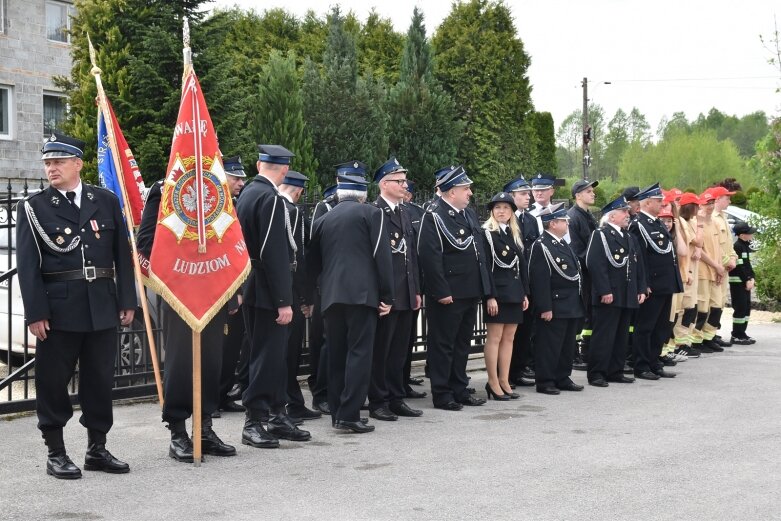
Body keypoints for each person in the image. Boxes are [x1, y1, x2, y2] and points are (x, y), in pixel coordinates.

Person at [16, 133, 136, 479]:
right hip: (59, 309)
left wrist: (126, 298)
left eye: (58, 162)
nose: (50, 168)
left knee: (99, 381)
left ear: (77, 164)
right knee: (53, 383)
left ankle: (97, 449)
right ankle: (56, 452)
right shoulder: (34, 207)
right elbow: (27, 266)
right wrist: (36, 313)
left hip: (101, 305)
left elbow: (122, 256)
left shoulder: (106, 200)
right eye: (47, 163)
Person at [137, 180, 236, 462]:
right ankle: (178, 431)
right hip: (180, 291)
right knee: (181, 364)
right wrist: (186, 262)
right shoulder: (164, 189)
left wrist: (231, 289)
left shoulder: (217, 188)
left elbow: (229, 242)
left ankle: (204, 428)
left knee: (211, 361)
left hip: (213, 290)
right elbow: (146, 242)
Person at [307, 165, 395, 433]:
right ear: (363, 194)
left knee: (336, 354)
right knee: (359, 353)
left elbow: (312, 262)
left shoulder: (324, 218)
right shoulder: (373, 213)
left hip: (332, 296)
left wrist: (312, 293)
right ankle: (350, 414)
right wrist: (387, 294)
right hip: (362, 295)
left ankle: (336, 412)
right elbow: (382, 256)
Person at [236, 144, 310, 448]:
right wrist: (284, 301)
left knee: (272, 356)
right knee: (267, 358)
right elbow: (274, 253)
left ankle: (278, 415)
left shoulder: (247, 195)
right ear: (282, 170)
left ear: (258, 165)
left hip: (253, 286)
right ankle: (254, 421)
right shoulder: (269, 198)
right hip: (268, 291)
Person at [417, 166, 491, 410]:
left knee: (462, 344)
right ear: (451, 192)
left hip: (469, 290)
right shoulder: (434, 215)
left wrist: (484, 288)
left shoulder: (467, 214)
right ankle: (442, 392)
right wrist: (441, 291)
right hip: (449, 292)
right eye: (465, 188)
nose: (470, 193)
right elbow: (430, 256)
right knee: (443, 344)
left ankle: (459, 387)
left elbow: (478, 253)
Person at [367, 158, 423, 421]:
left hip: (406, 293)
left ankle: (396, 396)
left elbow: (411, 256)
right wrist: (381, 295)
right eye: (399, 181)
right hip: (387, 297)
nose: (404, 185)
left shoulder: (404, 212)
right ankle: (378, 400)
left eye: (404, 181)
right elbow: (373, 259)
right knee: (382, 351)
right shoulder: (375, 212)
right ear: (384, 184)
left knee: (400, 350)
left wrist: (417, 290)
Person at [585, 196, 645, 387]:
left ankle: (615, 370)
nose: (628, 215)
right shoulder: (600, 235)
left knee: (621, 334)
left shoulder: (628, 236)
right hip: (609, 293)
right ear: (612, 217)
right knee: (604, 334)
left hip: (627, 292)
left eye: (627, 212)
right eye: (624, 212)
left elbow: (637, 265)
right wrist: (604, 290)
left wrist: (640, 288)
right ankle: (597, 373)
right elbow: (595, 264)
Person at [528, 203, 585, 395]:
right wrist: (545, 307)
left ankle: (562, 376)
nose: (567, 224)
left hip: (570, 303)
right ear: (553, 223)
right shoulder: (541, 246)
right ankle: (545, 380)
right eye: (563, 221)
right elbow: (540, 280)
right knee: (549, 345)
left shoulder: (562, 244)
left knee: (567, 345)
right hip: (555, 303)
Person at [628, 183, 683, 380]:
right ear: (647, 202)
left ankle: (654, 362)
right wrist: (643, 284)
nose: (662, 204)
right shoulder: (638, 225)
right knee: (646, 327)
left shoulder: (657, 222)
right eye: (658, 201)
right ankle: (641, 365)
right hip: (652, 284)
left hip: (666, 283)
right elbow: (639, 258)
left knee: (661, 327)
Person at [278, 170, 321, 422]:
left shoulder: (271, 207)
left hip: (276, 291)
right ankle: (287, 405)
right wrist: (306, 297)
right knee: (288, 353)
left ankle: (291, 401)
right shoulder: (291, 213)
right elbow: (299, 258)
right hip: (290, 292)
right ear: (299, 191)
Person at [481, 192, 529, 400]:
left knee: (509, 338)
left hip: (515, 292)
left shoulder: (514, 234)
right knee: (495, 338)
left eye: (506, 208)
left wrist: (525, 293)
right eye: (498, 208)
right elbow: (485, 267)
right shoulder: (487, 234)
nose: (502, 211)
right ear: (492, 211)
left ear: (512, 212)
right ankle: (492, 381)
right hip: (498, 293)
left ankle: (504, 380)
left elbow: (522, 266)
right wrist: (490, 295)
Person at [216, 156, 248, 416]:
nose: (240, 182)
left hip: (237, 288)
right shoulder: (213, 208)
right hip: (216, 289)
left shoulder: (235, 206)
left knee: (232, 347)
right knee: (216, 348)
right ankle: (209, 399)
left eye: (241, 178)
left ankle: (223, 393)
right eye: (235, 177)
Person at [503, 176, 538, 386]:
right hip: (512, 281)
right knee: (510, 333)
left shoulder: (531, 220)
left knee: (525, 330)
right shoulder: (507, 219)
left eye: (528, 193)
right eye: (523, 194)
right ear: (512, 196)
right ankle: (506, 374)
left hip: (528, 280)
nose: (528, 197)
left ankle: (518, 369)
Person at [308, 183, 338, 415]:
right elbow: (314, 248)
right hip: (324, 286)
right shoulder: (324, 208)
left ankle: (337, 391)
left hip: (339, 286)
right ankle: (321, 393)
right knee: (324, 343)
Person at [567, 179, 599, 370]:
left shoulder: (587, 216)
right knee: (580, 314)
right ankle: (574, 353)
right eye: (588, 191)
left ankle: (585, 350)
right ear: (578, 195)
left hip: (591, 272)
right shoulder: (573, 217)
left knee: (588, 314)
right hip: (582, 272)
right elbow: (577, 250)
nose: (592, 194)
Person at [400, 181, 428, 399]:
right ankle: (394, 385)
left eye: (408, 189)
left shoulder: (418, 212)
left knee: (408, 337)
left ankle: (404, 380)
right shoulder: (377, 211)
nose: (406, 193)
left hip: (413, 281)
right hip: (397, 285)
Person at [690, 190, 727, 354]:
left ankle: (708, 336)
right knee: (702, 307)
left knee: (716, 305)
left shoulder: (715, 223)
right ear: (700, 205)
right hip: (704, 271)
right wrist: (715, 265)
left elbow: (719, 248)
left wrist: (720, 268)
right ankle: (696, 339)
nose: (710, 207)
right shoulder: (696, 222)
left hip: (716, 270)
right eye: (707, 204)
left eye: (712, 203)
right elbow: (700, 250)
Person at [671, 192, 704, 358]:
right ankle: (680, 343)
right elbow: (697, 241)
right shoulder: (683, 222)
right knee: (683, 309)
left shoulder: (688, 221)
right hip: (686, 270)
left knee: (691, 308)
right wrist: (701, 226)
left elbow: (698, 245)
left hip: (691, 270)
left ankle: (685, 341)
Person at [711, 186, 738, 348]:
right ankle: (707, 335)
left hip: (725, 266)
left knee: (720, 301)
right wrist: (727, 260)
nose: (729, 200)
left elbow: (728, 243)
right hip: (717, 267)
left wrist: (732, 257)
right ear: (717, 199)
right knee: (712, 302)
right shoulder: (713, 218)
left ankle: (713, 332)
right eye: (726, 197)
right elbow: (715, 246)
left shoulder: (723, 217)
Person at [729, 222, 757, 345]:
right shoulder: (737, 246)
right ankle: (736, 335)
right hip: (738, 282)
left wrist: (752, 278)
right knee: (740, 308)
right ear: (741, 235)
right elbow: (740, 266)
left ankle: (742, 333)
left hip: (746, 282)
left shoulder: (745, 246)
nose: (751, 235)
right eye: (749, 233)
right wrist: (746, 279)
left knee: (746, 309)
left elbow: (748, 265)